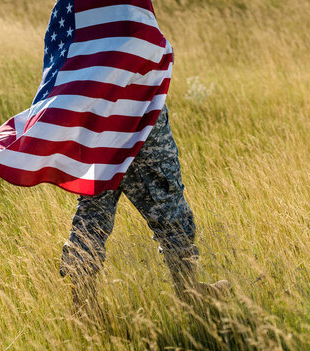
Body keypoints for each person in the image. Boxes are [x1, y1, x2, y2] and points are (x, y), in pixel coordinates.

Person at [60, 105, 231, 312]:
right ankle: (190, 293)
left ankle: (84, 306)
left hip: (97, 122)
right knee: (169, 209)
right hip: (142, 118)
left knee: (92, 215)